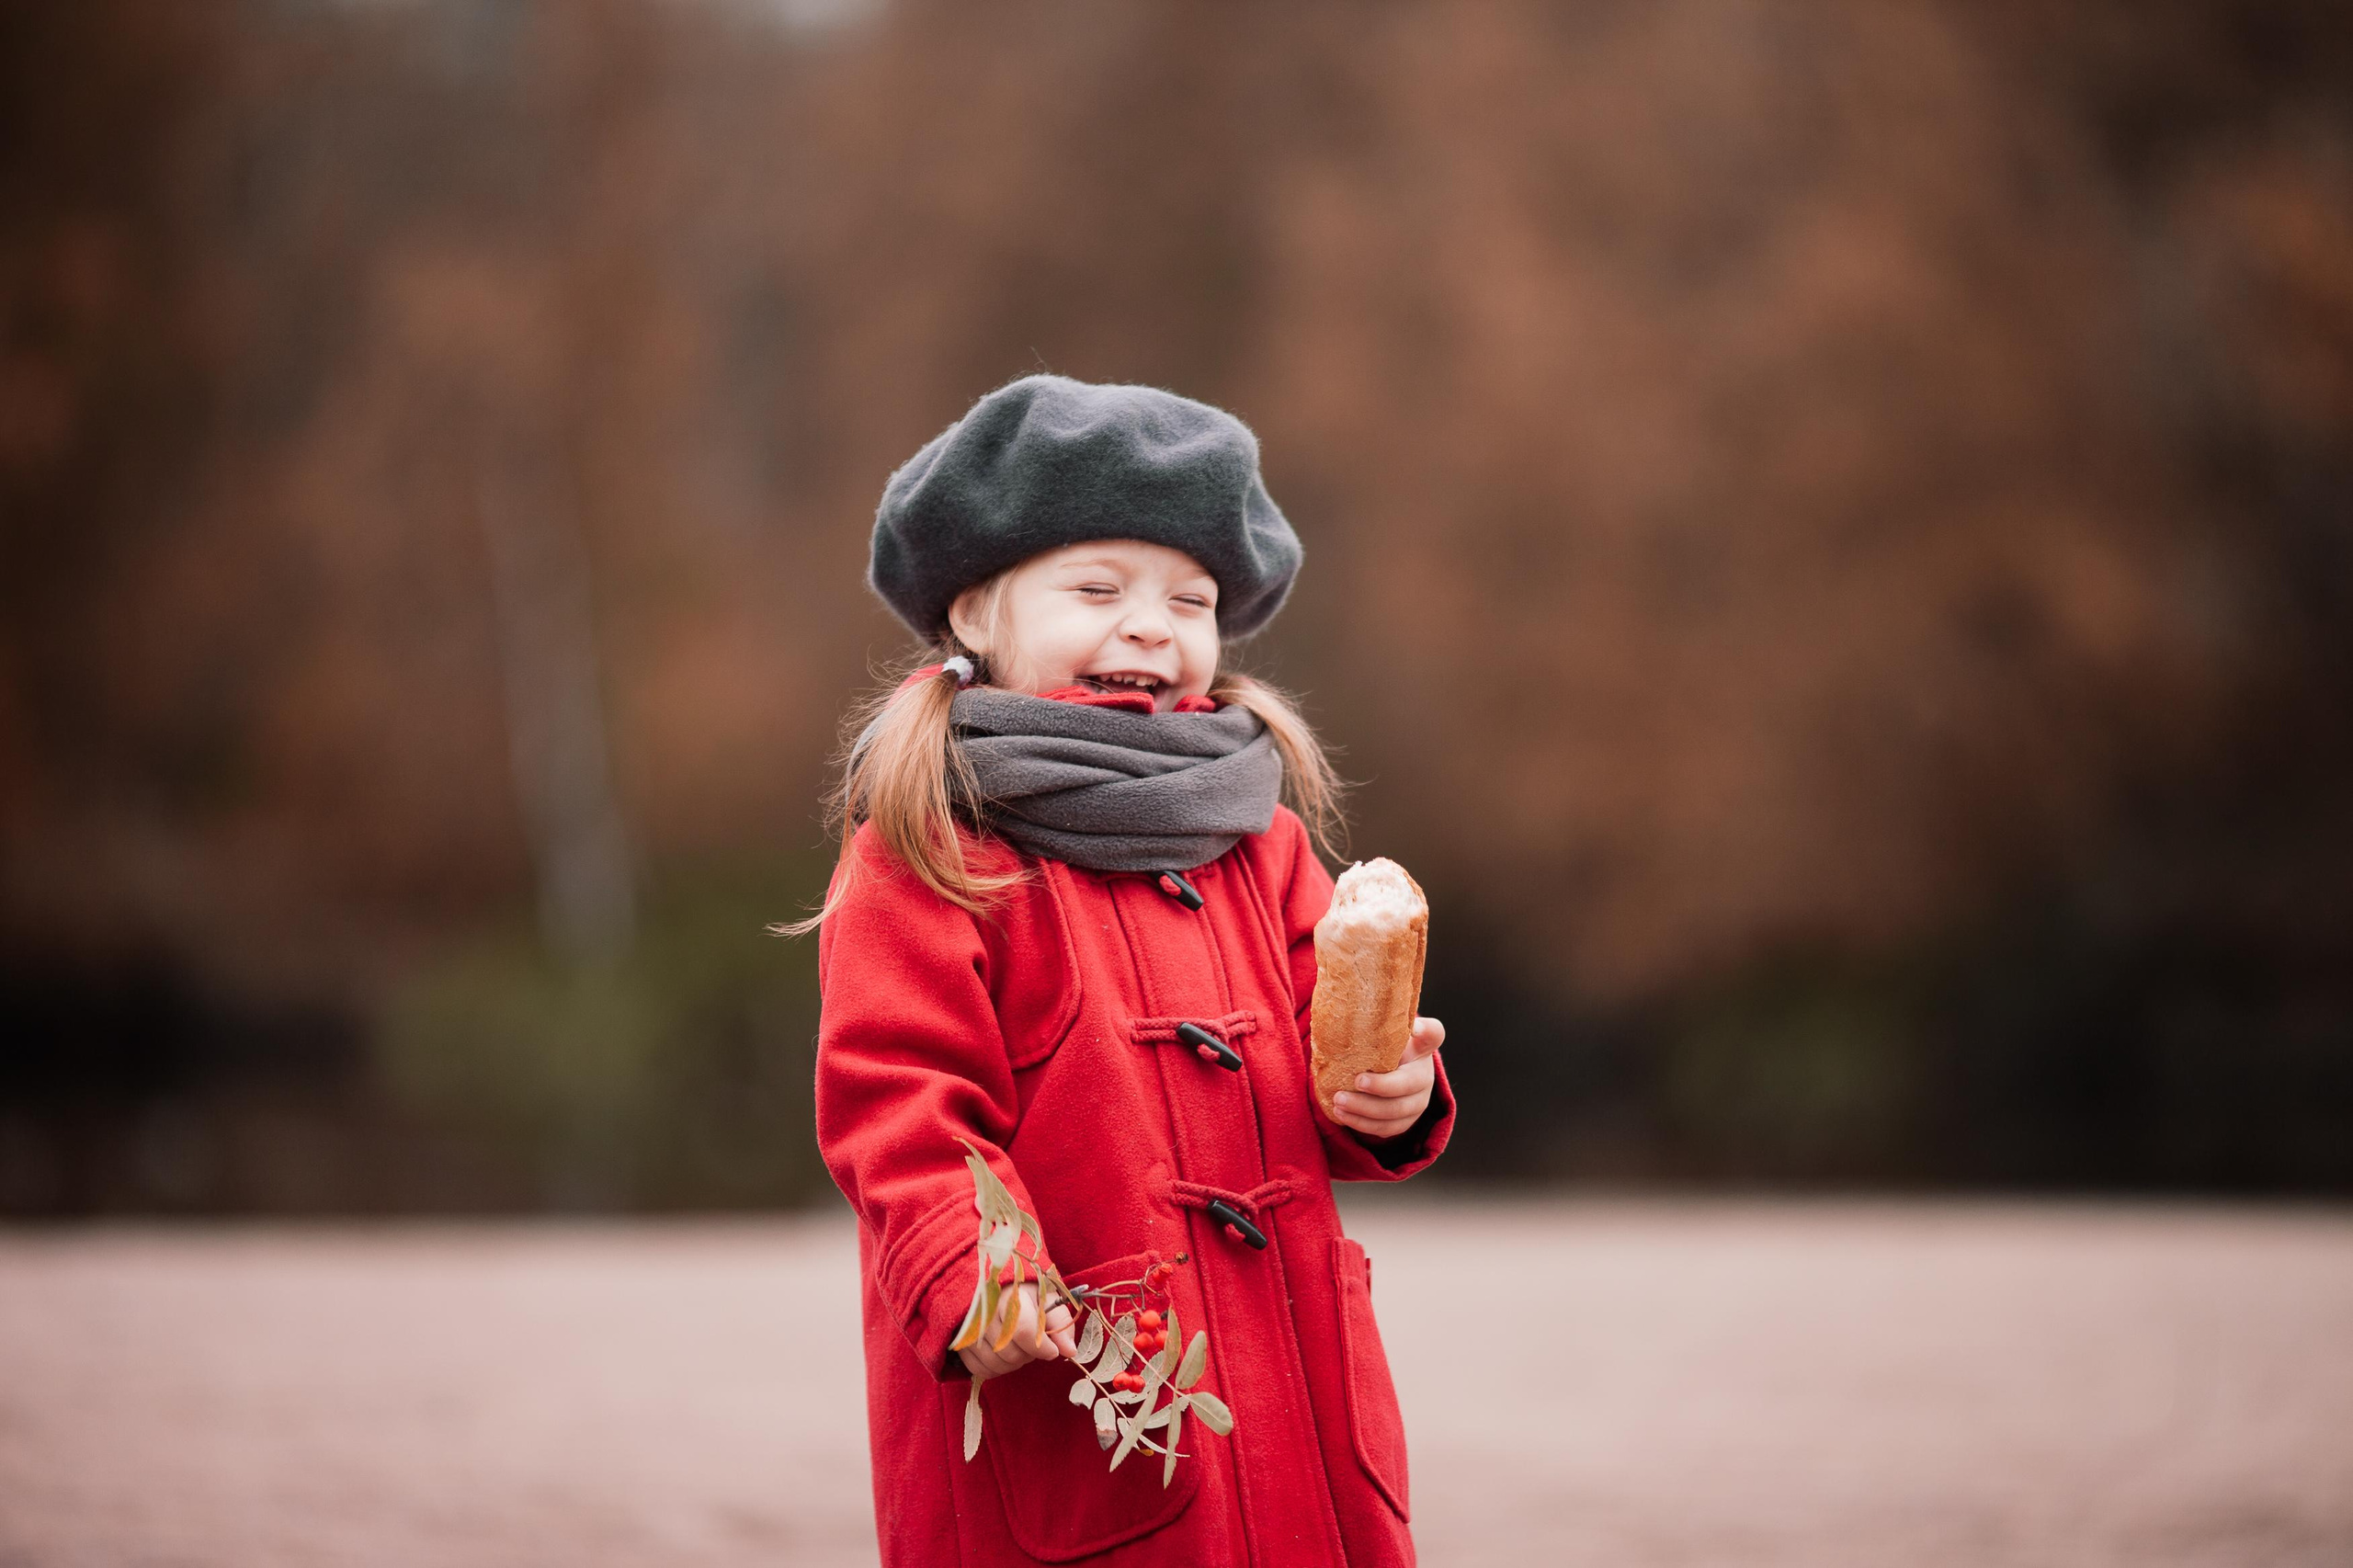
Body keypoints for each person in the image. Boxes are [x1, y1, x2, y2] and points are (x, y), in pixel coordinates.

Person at [801, 375, 1454, 1566]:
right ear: (976, 613)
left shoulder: (1260, 838)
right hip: (1082, 1390)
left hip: (1297, 1400)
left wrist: (1387, 1094)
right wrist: (967, 1260)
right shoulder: (932, 842)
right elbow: (895, 1091)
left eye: (1189, 599)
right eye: (1098, 589)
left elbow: (1326, 1054)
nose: (1153, 625)